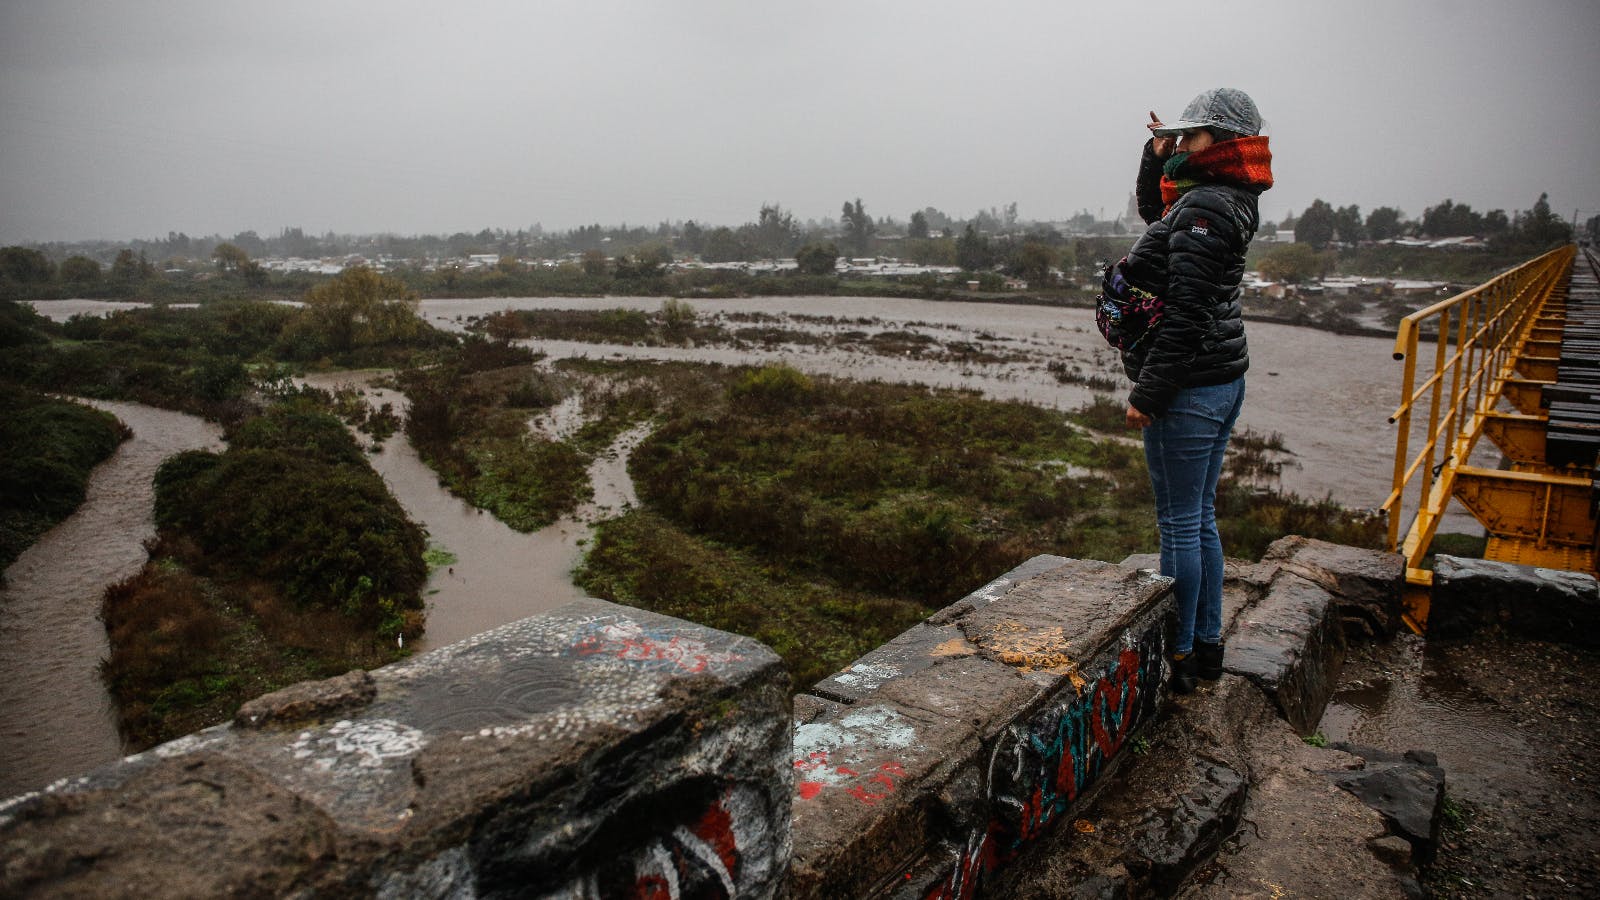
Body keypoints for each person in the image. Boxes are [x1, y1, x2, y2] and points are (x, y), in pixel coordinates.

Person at [1120, 87, 1274, 693]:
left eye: (1193, 135)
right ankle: (1206, 646)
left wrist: (1149, 393)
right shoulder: (1224, 198)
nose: (1183, 144)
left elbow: (1185, 311)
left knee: (1179, 525)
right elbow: (1156, 217)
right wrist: (1155, 154)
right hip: (1219, 379)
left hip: (1190, 389)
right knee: (1199, 518)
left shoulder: (1206, 208)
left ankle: (1178, 656)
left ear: (1225, 142)